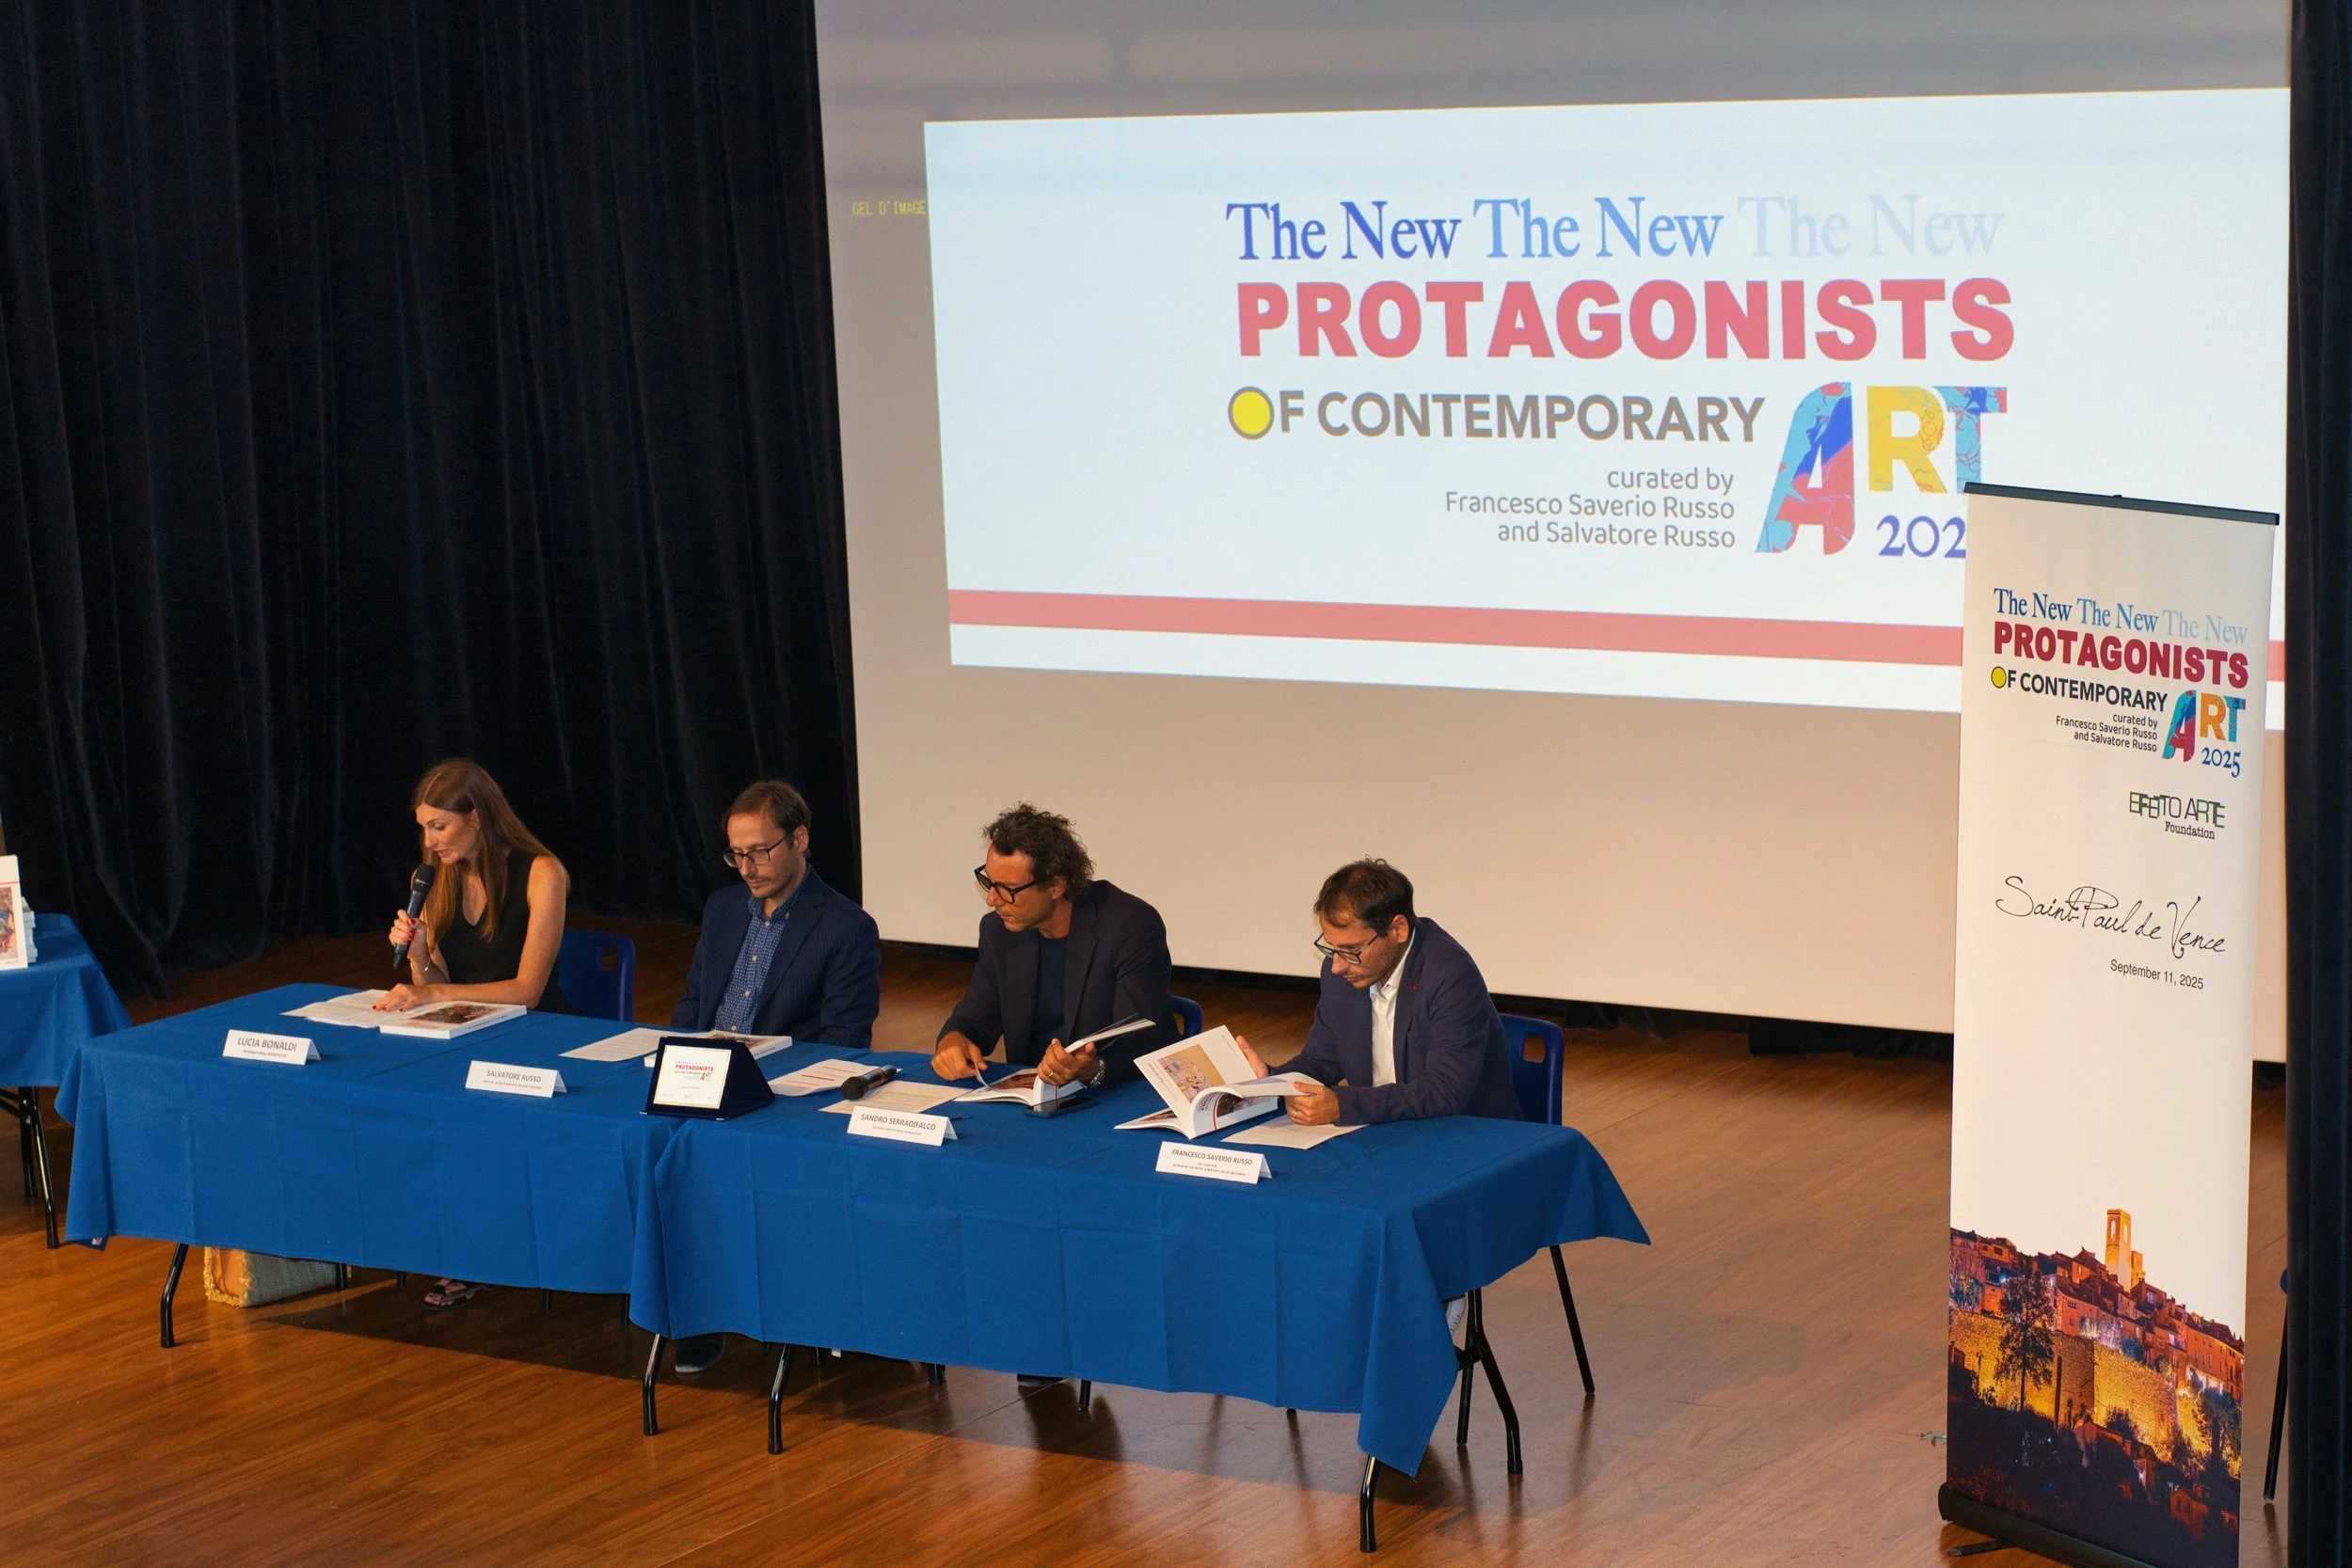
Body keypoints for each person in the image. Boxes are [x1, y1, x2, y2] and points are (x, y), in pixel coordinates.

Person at [669, 780, 880, 1376]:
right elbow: (694, 1004)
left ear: (801, 839)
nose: (747, 867)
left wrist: (756, 1075)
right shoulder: (722, 907)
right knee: (661, 1153)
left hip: (778, 1096)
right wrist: (672, 1055)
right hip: (704, 1079)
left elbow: (845, 1043)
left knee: (718, 1162)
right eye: (736, 854)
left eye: (760, 851)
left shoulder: (845, 926)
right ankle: (694, 1311)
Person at [377, 757, 574, 1308]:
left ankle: (484, 1253)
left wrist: (432, 994)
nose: (429, 840)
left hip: (539, 1038)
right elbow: (439, 982)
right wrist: (420, 959)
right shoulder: (437, 878)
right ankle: (444, 1245)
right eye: (423, 827)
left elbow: (528, 989)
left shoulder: (542, 872)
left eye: (439, 826)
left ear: (477, 817)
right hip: (472, 1035)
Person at [1244, 859, 1520, 1127]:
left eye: (1352, 950)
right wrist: (1271, 1080)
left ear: (1398, 929)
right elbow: (1323, 1060)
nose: (1337, 966)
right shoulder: (1343, 972)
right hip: (1385, 1129)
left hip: (1465, 1134)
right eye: (1332, 948)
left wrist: (1344, 1105)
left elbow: (1444, 1090)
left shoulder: (1450, 974)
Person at [930, 804, 1172, 1095]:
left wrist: (1092, 1068)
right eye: (988, 882)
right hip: (1034, 1098)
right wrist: (954, 1040)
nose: (992, 899)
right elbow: (975, 1016)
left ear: (1056, 886)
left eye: (1007, 889)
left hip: (1113, 1094)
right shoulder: (998, 932)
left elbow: (1141, 1034)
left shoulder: (1129, 925)